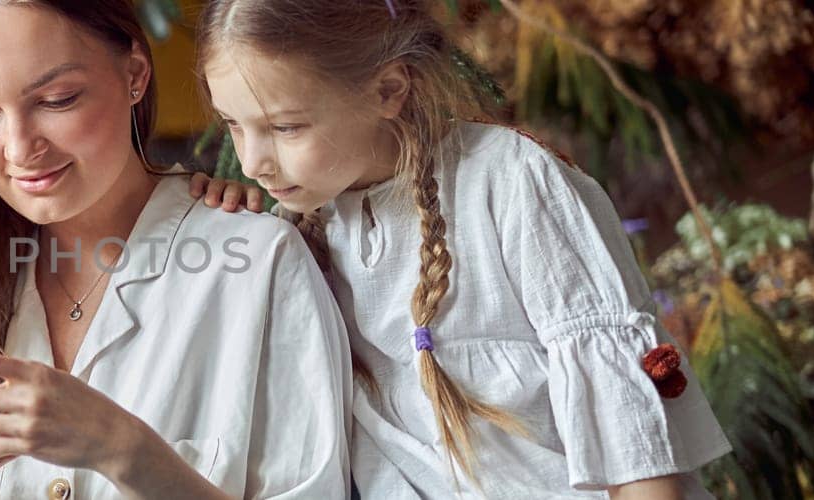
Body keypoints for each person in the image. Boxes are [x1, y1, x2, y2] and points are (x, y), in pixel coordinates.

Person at [188, 0, 730, 497]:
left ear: (387, 90)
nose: (253, 161)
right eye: (233, 125)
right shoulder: (301, 230)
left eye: (284, 127)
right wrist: (234, 226)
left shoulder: (509, 182)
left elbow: (628, 428)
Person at [0, 1, 353, 498]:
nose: (21, 150)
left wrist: (119, 448)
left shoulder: (256, 266)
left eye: (57, 99)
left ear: (134, 74)